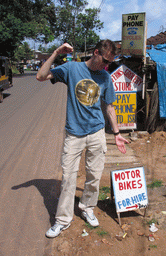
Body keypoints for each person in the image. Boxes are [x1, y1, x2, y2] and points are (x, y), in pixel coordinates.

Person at [36, 40, 129, 238]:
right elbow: (41, 76)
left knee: (94, 176)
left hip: (96, 133)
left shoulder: (105, 77)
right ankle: (63, 220)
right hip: (74, 134)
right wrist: (55, 52)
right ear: (95, 52)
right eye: (105, 60)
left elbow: (109, 107)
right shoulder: (72, 68)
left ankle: (87, 207)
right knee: (68, 178)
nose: (107, 66)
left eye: (110, 63)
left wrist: (117, 134)